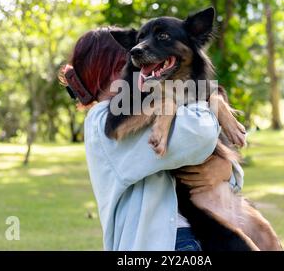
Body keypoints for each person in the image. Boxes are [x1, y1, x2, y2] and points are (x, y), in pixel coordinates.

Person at [61, 27, 245, 251]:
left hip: (204, 233)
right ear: (112, 70)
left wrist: (228, 170)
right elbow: (199, 135)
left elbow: (207, 157)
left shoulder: (148, 105)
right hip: (170, 243)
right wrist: (213, 101)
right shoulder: (104, 120)